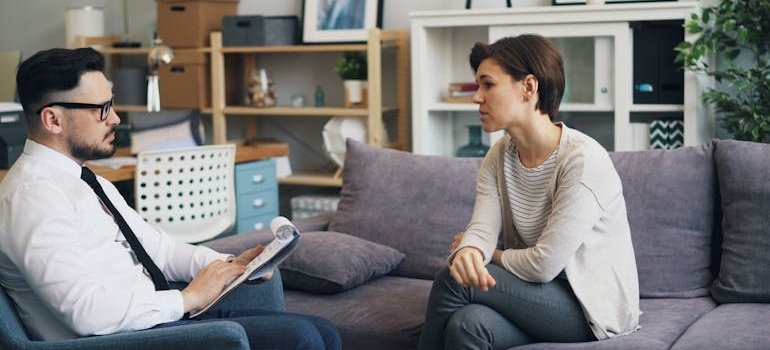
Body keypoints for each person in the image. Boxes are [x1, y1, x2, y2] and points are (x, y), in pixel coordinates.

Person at [0, 47, 341, 349]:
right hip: (122, 339)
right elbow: (85, 313)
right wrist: (187, 298)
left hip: (157, 318)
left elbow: (157, 248)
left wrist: (228, 267)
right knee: (302, 337)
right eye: (102, 109)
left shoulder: (84, 178)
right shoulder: (32, 196)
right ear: (53, 119)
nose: (116, 119)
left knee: (324, 330)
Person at [418, 35, 641, 350]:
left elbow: (543, 265)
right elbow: (481, 228)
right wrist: (469, 250)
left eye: (488, 85)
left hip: (589, 308)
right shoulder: (498, 157)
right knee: (467, 326)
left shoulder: (582, 159)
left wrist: (487, 254)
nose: (476, 97)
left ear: (529, 87)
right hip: (533, 297)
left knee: (452, 279)